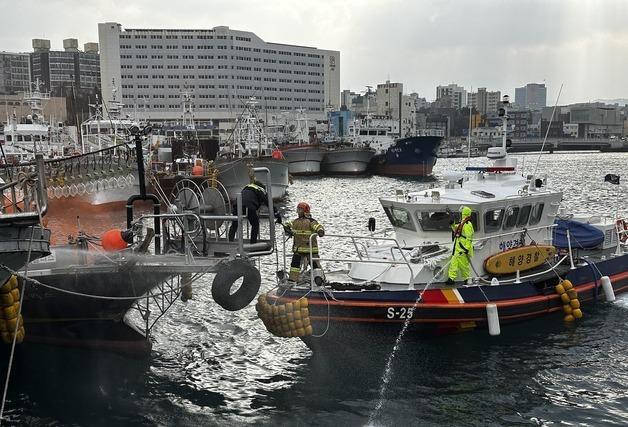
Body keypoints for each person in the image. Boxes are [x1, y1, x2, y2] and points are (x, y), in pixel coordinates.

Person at [283, 202, 325, 283]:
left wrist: (320, 231)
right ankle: (292, 280)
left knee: (315, 266)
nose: (298, 211)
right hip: (299, 249)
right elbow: (288, 224)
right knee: (294, 266)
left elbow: (318, 226)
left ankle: (319, 280)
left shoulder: (311, 221)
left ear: (305, 211)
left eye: (300, 209)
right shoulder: (295, 221)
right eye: (298, 209)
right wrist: (287, 228)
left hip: (310, 250)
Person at [446, 206, 474, 285]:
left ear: (464, 214)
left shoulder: (468, 224)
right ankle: (451, 279)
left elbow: (469, 237)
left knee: (463, 265)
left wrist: (466, 248)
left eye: (462, 213)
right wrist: (452, 224)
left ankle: (467, 279)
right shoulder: (463, 223)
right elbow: (456, 229)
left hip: (462, 248)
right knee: (453, 263)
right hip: (458, 247)